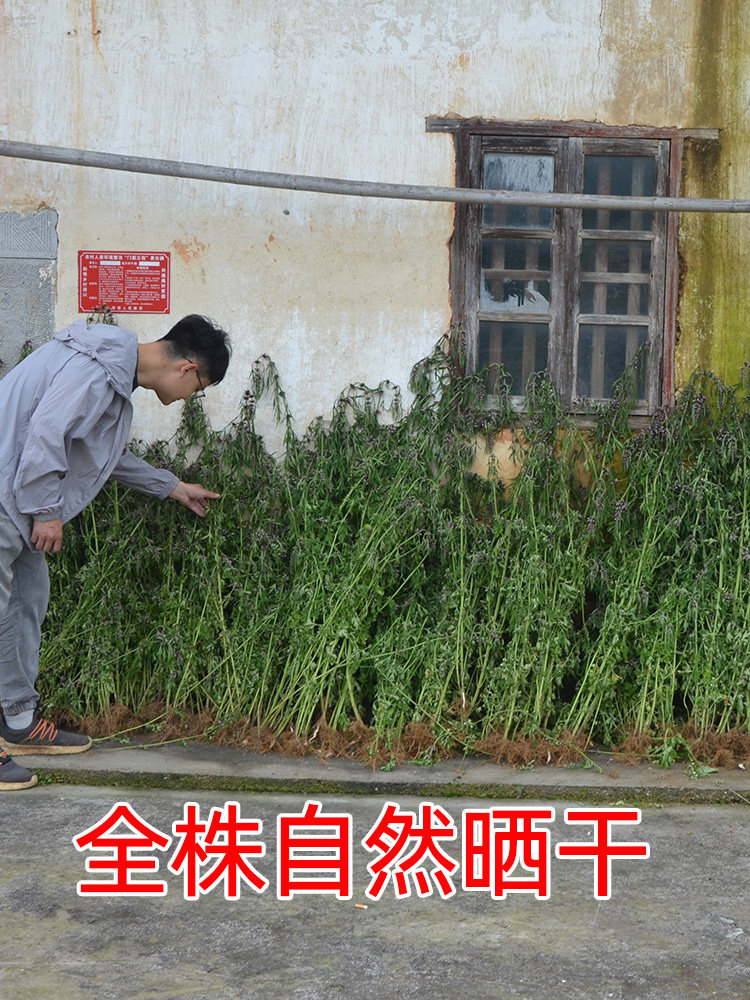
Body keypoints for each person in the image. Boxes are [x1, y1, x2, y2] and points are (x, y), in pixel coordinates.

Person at [0, 313, 231, 790]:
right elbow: (46, 434)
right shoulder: (95, 369)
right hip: (10, 494)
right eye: (199, 389)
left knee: (25, 601)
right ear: (187, 368)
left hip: (16, 499)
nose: (190, 398)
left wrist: (171, 487)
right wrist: (47, 511)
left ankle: (17, 722)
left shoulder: (114, 373)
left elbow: (103, 455)